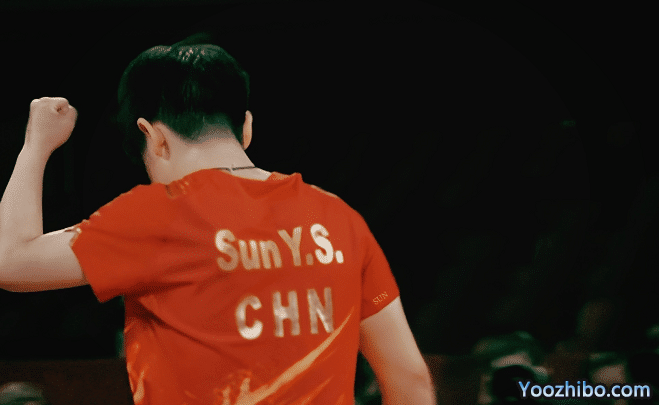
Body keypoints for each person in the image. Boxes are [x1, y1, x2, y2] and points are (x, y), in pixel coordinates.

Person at [0, 42, 435, 405]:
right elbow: (410, 380)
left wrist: (36, 146)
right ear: (246, 128)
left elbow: (11, 261)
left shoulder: (157, 215)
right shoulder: (338, 216)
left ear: (153, 136)